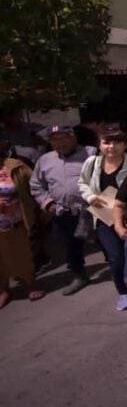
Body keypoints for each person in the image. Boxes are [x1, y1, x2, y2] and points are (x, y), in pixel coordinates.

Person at [79, 126, 127, 311]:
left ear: (124, 145)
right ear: (99, 144)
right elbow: (82, 182)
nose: (111, 146)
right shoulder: (92, 163)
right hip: (103, 216)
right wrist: (90, 197)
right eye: (106, 142)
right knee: (115, 256)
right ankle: (123, 291)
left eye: (117, 142)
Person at [30, 125, 96, 295]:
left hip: (93, 208)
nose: (60, 142)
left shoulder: (91, 153)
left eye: (64, 137)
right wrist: (48, 203)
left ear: (73, 137)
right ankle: (79, 275)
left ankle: (123, 272)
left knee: (107, 241)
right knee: (70, 245)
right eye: (55, 139)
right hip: (63, 211)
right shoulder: (44, 160)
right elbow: (36, 185)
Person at [0, 152, 44, 306]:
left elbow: (35, 183)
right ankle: (3, 291)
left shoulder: (15, 166)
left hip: (16, 221)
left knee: (22, 254)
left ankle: (31, 286)